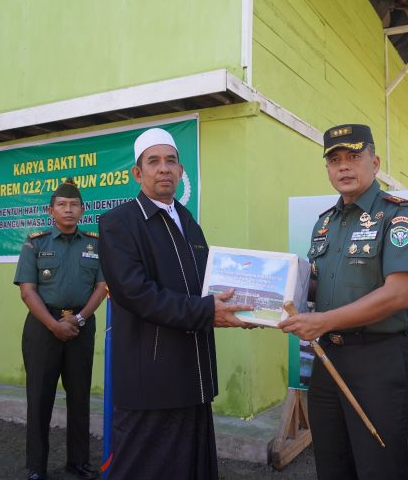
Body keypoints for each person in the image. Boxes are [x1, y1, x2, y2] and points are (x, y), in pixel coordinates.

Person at [97, 127, 253, 480]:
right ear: (138, 173)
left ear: (181, 171)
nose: (164, 168)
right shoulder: (118, 223)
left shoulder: (189, 222)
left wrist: (247, 305)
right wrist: (208, 310)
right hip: (151, 381)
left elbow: (208, 284)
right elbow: (136, 293)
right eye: (153, 161)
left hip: (194, 375)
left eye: (171, 161)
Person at [279, 124, 408, 480]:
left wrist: (322, 321)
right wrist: (269, 293)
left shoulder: (398, 217)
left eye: (353, 156)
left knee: (380, 466)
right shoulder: (324, 224)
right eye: (334, 160)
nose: (343, 166)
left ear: (374, 163)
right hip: (330, 358)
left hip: (378, 357)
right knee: (332, 462)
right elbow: (319, 286)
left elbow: (399, 293)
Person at [13, 178, 107, 480]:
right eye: (62, 205)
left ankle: (78, 462)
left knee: (80, 397)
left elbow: (102, 287)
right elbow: (27, 292)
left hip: (81, 327)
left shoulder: (95, 244)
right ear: (50, 210)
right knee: (39, 398)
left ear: (83, 210)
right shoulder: (35, 243)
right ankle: (36, 467)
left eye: (74, 205)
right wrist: (54, 325)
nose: (68, 209)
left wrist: (77, 320)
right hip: (43, 328)